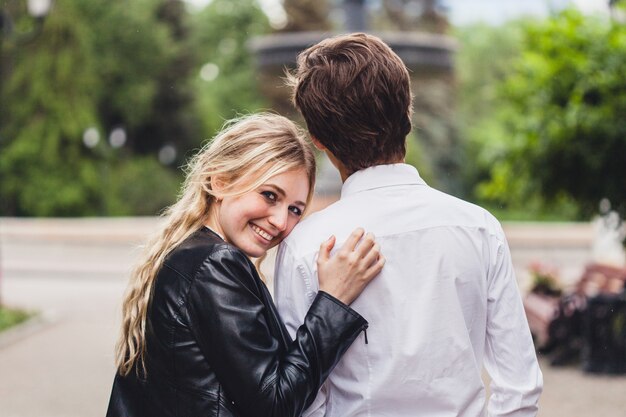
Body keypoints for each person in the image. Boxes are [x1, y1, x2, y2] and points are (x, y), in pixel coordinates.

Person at [275, 33, 543, 417]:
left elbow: (304, 400)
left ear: (318, 140)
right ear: (408, 114)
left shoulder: (307, 244)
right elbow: (519, 390)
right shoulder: (479, 228)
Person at [105, 113, 385, 417]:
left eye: (294, 210)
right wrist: (333, 302)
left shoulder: (188, 253)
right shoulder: (215, 264)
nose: (280, 221)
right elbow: (274, 404)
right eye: (269, 196)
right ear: (220, 181)